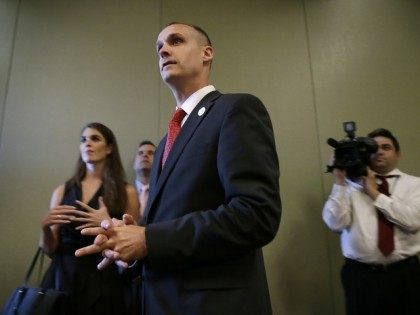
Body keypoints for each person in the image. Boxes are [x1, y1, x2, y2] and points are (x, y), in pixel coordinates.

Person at [76, 22, 281, 315]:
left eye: (176, 41)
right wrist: (129, 244)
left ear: (206, 53)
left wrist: (149, 239)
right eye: (159, 47)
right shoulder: (164, 144)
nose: (164, 50)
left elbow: (256, 214)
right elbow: (162, 234)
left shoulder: (235, 109)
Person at [40, 122, 139, 315]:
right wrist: (45, 228)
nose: (87, 143)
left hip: (103, 280)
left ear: (109, 148)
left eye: (95, 138)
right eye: (83, 139)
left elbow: (131, 245)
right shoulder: (62, 191)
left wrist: (108, 225)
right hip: (62, 278)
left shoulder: (126, 192)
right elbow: (50, 249)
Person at [323, 128, 420, 315]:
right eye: (373, 148)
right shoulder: (349, 187)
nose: (379, 151)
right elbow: (335, 223)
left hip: (406, 274)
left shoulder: (415, 185)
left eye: (386, 147)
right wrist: (339, 181)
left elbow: (413, 221)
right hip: (360, 276)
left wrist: (375, 194)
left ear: (397, 154)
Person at [133, 140, 156, 220]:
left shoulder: (165, 194)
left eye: (150, 153)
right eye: (140, 153)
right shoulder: (122, 192)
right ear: (134, 162)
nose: (145, 155)